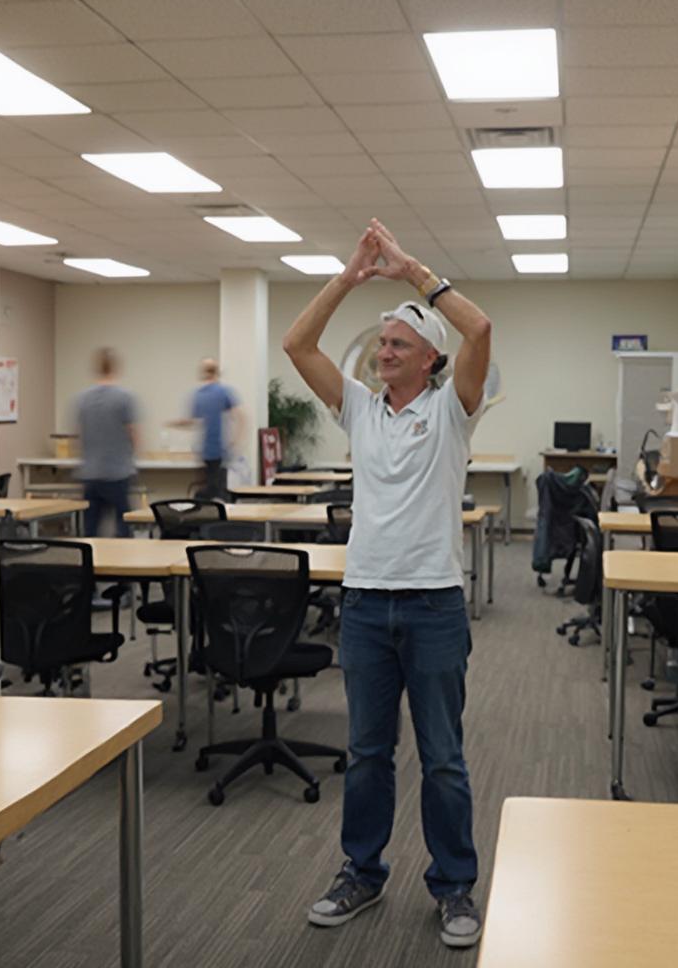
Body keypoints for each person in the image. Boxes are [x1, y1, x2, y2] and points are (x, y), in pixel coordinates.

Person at [283, 218, 491, 948]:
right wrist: (348, 277)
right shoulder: (359, 411)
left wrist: (411, 272)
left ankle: (455, 887)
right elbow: (297, 346)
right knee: (368, 753)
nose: (383, 352)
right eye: (380, 345)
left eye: (398, 344)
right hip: (367, 604)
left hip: (435, 603)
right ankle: (361, 874)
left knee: (443, 756)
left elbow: (481, 326)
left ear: (430, 359)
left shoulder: (453, 411)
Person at [76, 347, 138, 538]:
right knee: (123, 528)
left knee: (91, 530)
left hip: (91, 474)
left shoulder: (83, 399)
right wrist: (131, 456)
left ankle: (91, 566)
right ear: (114, 368)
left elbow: (79, 435)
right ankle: (122, 565)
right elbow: (133, 434)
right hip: (117, 473)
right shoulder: (124, 398)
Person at [168, 358, 240, 500]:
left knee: (209, 491)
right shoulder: (224, 392)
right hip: (219, 451)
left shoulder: (198, 395)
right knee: (217, 492)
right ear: (217, 372)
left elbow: (190, 422)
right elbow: (241, 417)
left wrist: (173, 424)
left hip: (206, 452)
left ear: (202, 373)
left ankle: (203, 513)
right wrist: (235, 440)